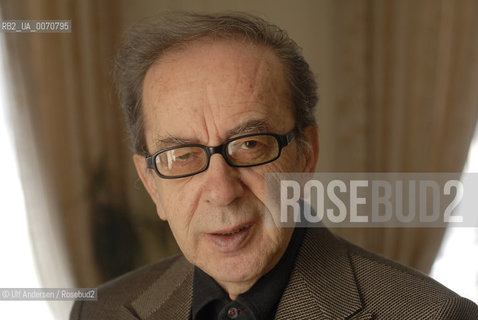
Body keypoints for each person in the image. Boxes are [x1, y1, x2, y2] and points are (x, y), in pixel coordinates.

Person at [70, 12, 478, 319]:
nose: (222, 190)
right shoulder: (100, 312)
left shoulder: (434, 314)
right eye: (183, 155)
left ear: (305, 155)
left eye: (249, 144)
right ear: (152, 182)